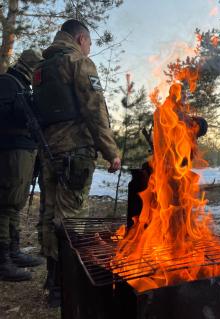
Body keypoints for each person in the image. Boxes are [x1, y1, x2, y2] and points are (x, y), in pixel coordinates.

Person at [32, 19, 121, 307]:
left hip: (47, 152)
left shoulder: (41, 69)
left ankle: (52, 277)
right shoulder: (78, 62)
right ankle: (64, 286)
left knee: (48, 213)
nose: (90, 49)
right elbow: (95, 110)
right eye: (90, 43)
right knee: (71, 219)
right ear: (81, 38)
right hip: (76, 152)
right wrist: (112, 152)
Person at [0, 49, 45, 282]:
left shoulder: (21, 85)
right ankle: (3, 260)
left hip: (22, 151)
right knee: (6, 204)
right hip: (10, 151)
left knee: (15, 203)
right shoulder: (8, 83)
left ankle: (13, 252)